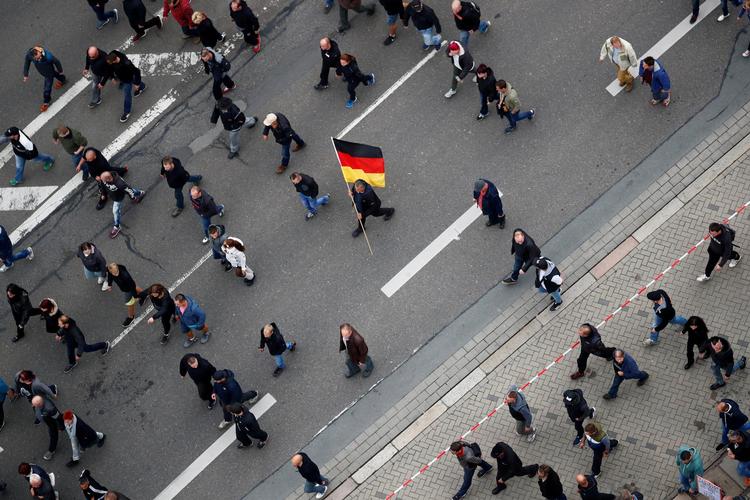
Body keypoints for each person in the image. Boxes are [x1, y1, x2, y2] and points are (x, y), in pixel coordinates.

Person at [104, 51, 146, 123]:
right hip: (122, 77)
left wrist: (137, 83)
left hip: (128, 79)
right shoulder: (113, 54)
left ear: (115, 60)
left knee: (127, 95)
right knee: (133, 83)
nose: (109, 64)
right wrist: (112, 77)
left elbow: (137, 71)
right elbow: (109, 68)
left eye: (111, 62)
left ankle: (127, 112)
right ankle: (142, 86)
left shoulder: (126, 63)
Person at [23, 46, 67, 112]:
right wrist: (25, 74)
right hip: (44, 71)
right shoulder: (30, 54)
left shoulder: (48, 57)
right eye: (36, 59)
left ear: (39, 52)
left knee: (47, 88)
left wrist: (60, 70)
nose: (38, 59)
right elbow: (27, 62)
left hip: (48, 73)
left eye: (39, 57)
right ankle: (63, 79)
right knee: (55, 74)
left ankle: (46, 101)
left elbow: (57, 62)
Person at [31, 394, 64, 460]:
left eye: (35, 405)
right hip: (48, 420)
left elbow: (58, 417)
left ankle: (51, 450)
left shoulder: (50, 409)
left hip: (52, 424)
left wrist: (60, 427)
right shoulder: (40, 402)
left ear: (39, 404)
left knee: (53, 436)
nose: (33, 406)